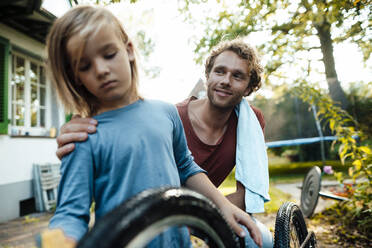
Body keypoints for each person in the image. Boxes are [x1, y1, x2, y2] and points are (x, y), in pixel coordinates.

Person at [46, 5, 262, 248]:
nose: (101, 70)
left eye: (108, 54)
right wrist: (59, 240)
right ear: (76, 77)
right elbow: (70, 213)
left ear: (128, 50)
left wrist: (222, 206)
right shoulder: (83, 136)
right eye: (84, 66)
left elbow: (186, 166)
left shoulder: (165, 112)